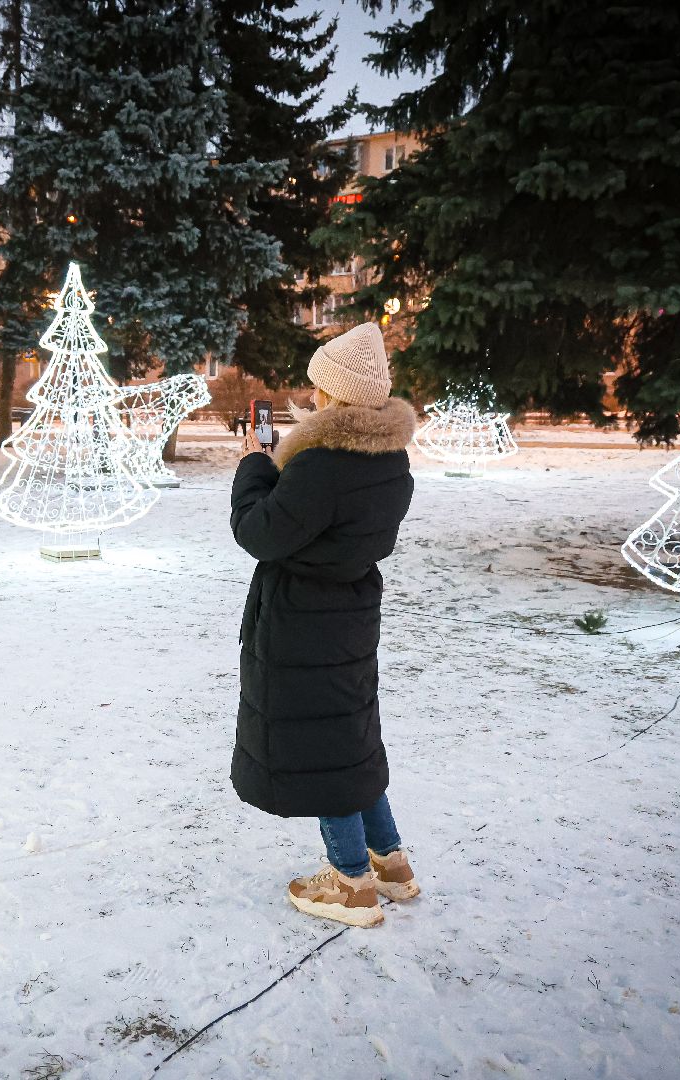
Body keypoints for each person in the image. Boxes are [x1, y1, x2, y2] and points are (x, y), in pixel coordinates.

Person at [229, 322, 420, 928]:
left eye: (319, 391)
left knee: (324, 747)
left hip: (304, 622)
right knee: (350, 734)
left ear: (339, 395)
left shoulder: (323, 465)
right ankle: (390, 862)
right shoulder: (388, 457)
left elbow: (260, 533)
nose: (312, 400)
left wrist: (255, 468)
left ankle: (350, 882)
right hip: (350, 614)